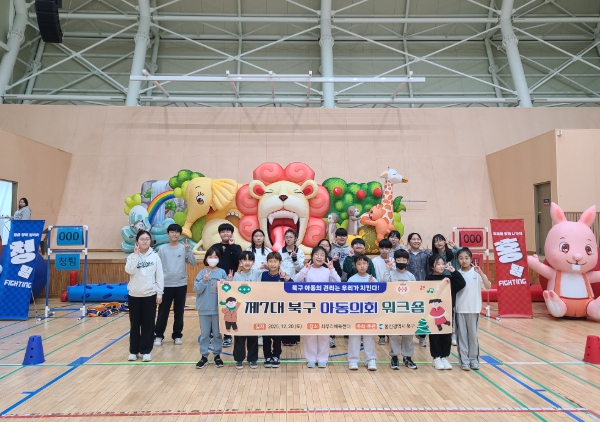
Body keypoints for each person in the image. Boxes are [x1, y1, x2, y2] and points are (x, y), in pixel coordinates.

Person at [294, 246, 340, 368]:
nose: (319, 257)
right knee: (310, 333)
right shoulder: (307, 269)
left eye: (322, 255)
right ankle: (310, 358)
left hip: (325, 307)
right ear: (312, 256)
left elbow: (338, 283)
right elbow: (295, 281)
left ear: (326, 258)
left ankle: (322, 359)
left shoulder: (327, 271)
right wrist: (305, 270)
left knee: (324, 333)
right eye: (317, 254)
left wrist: (332, 269)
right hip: (309, 307)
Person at [125, 230, 164, 362]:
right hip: (134, 295)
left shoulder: (155, 257)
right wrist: (136, 255)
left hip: (150, 294)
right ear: (137, 241)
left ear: (150, 241)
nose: (145, 241)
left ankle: (146, 351)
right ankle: (133, 351)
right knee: (135, 324)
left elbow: (159, 276)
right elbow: (129, 270)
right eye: (142, 239)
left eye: (147, 239)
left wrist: (159, 293)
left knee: (148, 324)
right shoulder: (131, 256)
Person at [154, 224, 196, 346]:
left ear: (180, 234)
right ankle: (159, 335)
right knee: (163, 312)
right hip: (165, 285)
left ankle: (177, 335)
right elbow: (157, 267)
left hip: (180, 285)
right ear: (168, 234)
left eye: (177, 232)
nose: (174, 234)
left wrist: (188, 251)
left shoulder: (183, 248)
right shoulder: (162, 249)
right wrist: (157, 285)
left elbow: (193, 263)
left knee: (179, 312)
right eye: (172, 232)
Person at [425, 254, 465, 371]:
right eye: (438, 264)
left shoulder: (449, 278)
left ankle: (444, 356)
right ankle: (436, 357)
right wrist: (441, 283)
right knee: (435, 335)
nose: (441, 266)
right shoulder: (428, 279)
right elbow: (429, 292)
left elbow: (462, 284)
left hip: (447, 311)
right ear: (432, 266)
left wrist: (454, 272)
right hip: (433, 313)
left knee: (447, 334)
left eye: (443, 264)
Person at [455, 248, 491, 371]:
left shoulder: (476, 272)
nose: (464, 261)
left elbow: (488, 287)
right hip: (460, 309)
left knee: (473, 336)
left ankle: (474, 360)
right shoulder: (457, 273)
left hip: (473, 309)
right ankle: (464, 361)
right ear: (457, 260)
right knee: (462, 337)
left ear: (471, 259)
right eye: (461, 258)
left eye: (466, 258)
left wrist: (481, 273)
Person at [194, 246, 227, 369]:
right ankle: (204, 356)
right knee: (205, 334)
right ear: (206, 258)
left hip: (218, 309)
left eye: (215, 257)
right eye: (210, 256)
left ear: (219, 259)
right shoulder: (202, 273)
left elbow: (227, 291)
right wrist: (204, 281)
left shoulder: (222, 272)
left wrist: (226, 283)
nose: (213, 259)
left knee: (217, 334)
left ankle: (217, 355)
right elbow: (197, 289)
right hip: (204, 309)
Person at [210, 223, 242, 348]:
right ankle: (213, 334)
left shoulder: (236, 247)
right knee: (214, 308)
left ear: (232, 233)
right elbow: (210, 261)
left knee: (228, 308)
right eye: (223, 231)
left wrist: (231, 246)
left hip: (230, 281)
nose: (225, 233)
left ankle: (227, 336)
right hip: (215, 280)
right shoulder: (215, 247)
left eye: (228, 231)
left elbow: (238, 261)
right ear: (219, 234)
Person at [232, 251, 264, 370]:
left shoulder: (258, 273)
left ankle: (252, 359)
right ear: (240, 262)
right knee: (239, 336)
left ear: (253, 262)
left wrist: (265, 266)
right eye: (244, 260)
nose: (247, 262)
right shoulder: (237, 276)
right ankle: (239, 359)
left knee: (253, 336)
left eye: (250, 260)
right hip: (240, 311)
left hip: (253, 310)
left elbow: (271, 272)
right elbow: (232, 291)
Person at [388, 249, 418, 370]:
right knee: (393, 334)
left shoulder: (411, 276)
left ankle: (407, 357)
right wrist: (387, 270)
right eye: (399, 259)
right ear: (395, 261)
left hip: (407, 310)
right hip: (393, 309)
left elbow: (415, 292)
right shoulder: (390, 274)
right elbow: (384, 285)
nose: (401, 261)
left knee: (408, 334)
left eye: (404, 260)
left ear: (408, 262)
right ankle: (394, 357)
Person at [347, 254, 378, 370]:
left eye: (364, 263)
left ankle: (370, 360)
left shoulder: (373, 279)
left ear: (368, 264)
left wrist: (372, 285)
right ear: (355, 265)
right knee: (354, 336)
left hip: (369, 313)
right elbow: (347, 297)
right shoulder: (351, 280)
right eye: (359, 264)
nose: (362, 266)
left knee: (369, 336)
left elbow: (378, 296)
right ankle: (353, 360)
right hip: (355, 313)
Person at [261, 251, 290, 368]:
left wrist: (287, 279)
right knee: (266, 335)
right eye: (270, 261)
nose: (273, 264)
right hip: (265, 310)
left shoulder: (283, 276)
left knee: (277, 335)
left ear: (280, 263)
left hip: (279, 310)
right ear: (267, 263)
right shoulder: (263, 275)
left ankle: (276, 355)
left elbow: (292, 287)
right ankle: (267, 356)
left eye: (275, 261)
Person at [430, 234, 461, 345]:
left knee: (452, 310)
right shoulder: (433, 256)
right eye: (436, 241)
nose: (439, 243)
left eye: (441, 240)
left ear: (445, 241)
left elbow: (465, 253)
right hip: (439, 285)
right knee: (442, 309)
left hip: (452, 283)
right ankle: (443, 331)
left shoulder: (452, 253)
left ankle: (453, 334)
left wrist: (455, 246)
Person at [279, 229, 304, 346]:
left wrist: (294, 258)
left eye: (291, 237)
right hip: (282, 284)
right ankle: (284, 338)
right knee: (284, 311)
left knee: (294, 310)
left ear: (295, 239)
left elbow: (301, 269)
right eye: (286, 237)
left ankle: (294, 338)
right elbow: (277, 266)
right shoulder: (280, 251)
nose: (288, 239)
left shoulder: (300, 252)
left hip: (295, 283)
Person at [371, 238, 394, 344]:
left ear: (390, 249)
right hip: (378, 290)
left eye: (387, 248)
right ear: (379, 249)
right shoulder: (374, 261)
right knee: (379, 314)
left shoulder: (393, 260)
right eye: (382, 248)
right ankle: (381, 336)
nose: (384, 250)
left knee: (389, 313)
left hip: (390, 290)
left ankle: (389, 334)